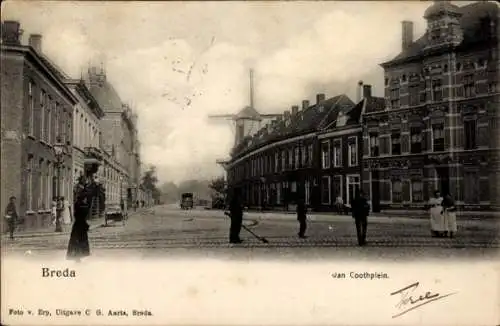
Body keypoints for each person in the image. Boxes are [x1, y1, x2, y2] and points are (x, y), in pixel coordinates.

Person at [67, 176, 93, 262]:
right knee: (79, 240)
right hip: (80, 224)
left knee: (77, 239)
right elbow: (80, 214)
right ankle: (78, 256)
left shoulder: (79, 202)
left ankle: (77, 256)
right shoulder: (80, 202)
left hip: (79, 224)